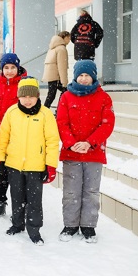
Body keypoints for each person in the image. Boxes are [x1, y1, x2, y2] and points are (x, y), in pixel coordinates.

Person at [0, 77, 59, 245]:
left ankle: (34, 229)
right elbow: (3, 139)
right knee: (16, 197)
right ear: (19, 96)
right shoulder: (11, 112)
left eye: (32, 96)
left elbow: (52, 141)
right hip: (14, 164)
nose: (28, 100)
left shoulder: (45, 114)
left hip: (35, 166)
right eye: (24, 96)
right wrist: (0, 162)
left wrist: (50, 165)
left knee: (34, 200)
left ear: (37, 96)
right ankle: (17, 224)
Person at [56, 60, 115, 243]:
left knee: (91, 191)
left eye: (87, 75)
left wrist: (90, 143)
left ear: (93, 76)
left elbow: (108, 124)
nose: (83, 79)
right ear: (75, 76)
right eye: (80, 75)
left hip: (93, 153)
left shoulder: (104, 98)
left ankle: (89, 226)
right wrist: (71, 142)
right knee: (71, 191)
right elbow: (61, 122)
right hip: (72, 152)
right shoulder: (66, 97)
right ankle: (70, 225)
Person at [0, 53, 27, 219]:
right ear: (1, 69)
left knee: (18, 173)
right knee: (0, 172)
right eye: (6, 68)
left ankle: (20, 206)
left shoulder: (24, 85)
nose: (9, 71)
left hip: (18, 137)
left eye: (12, 67)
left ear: (18, 68)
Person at [42, 31, 70, 108]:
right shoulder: (61, 49)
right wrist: (64, 81)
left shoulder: (52, 47)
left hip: (50, 74)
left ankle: (46, 110)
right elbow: (62, 67)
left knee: (51, 94)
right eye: (69, 38)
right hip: (56, 75)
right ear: (65, 37)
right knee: (62, 92)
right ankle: (58, 110)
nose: (69, 41)